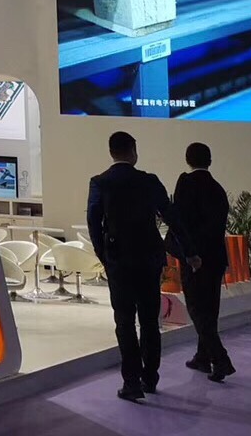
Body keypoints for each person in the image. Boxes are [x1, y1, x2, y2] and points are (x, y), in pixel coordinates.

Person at [87, 131, 197, 402]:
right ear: (133, 151)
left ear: (111, 152)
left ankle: (131, 381)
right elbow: (172, 217)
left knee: (124, 321)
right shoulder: (149, 181)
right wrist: (189, 251)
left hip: (119, 262)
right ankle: (150, 377)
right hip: (149, 259)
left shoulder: (100, 183)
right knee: (149, 321)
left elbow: (93, 223)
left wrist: (104, 256)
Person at [172, 142, 234, 382]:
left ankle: (220, 358)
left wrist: (189, 253)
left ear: (187, 159)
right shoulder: (217, 189)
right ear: (210, 160)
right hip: (216, 257)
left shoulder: (186, 183)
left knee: (197, 310)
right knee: (210, 310)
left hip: (194, 258)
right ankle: (202, 356)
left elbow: (180, 221)